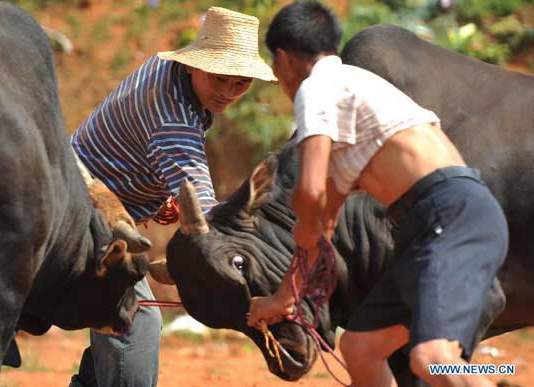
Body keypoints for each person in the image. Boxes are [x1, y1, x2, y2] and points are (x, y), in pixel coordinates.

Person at [247, 2, 508, 386]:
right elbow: (323, 226)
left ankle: (495, 378)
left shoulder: (319, 87)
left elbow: (311, 191)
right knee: (361, 348)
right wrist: (283, 297)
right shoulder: (352, 95)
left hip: (448, 214)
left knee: (432, 358)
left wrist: (305, 218)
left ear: (283, 60)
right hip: (437, 221)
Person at [69, 7, 276, 387]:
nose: (228, 93)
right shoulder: (175, 121)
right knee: (136, 319)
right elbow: (207, 221)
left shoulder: (164, 70)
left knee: (113, 324)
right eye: (219, 79)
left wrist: (159, 194)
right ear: (196, 65)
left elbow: (143, 143)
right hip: (82, 212)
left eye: (240, 83)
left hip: (79, 185)